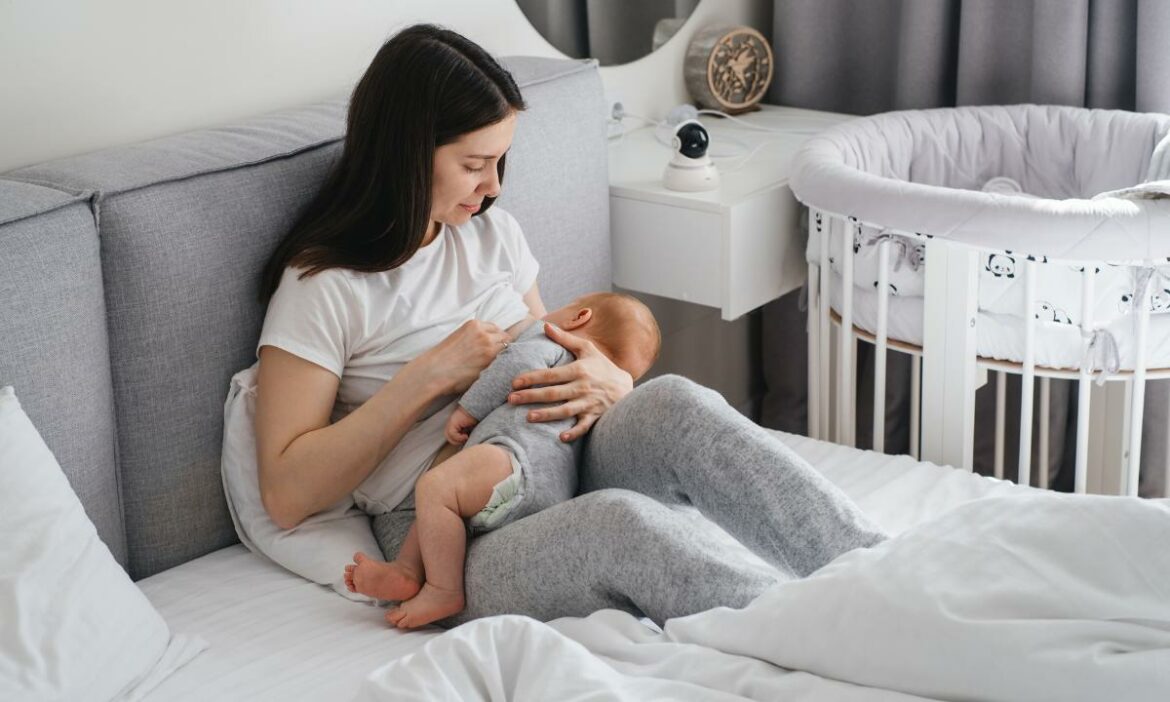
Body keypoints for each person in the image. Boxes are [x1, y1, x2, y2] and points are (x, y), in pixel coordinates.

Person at [254, 23, 885, 630]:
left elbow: (543, 349)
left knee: (676, 402)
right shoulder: (324, 287)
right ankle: (818, 629)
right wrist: (427, 376)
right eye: (475, 164)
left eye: (500, 161)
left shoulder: (490, 234)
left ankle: (882, 574)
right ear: (406, 152)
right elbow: (286, 493)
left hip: (550, 457)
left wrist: (606, 379)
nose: (492, 187)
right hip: (443, 524)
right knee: (618, 525)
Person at [343, 292, 661, 628]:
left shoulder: (553, 340)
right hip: (552, 490)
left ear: (579, 316)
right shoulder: (593, 395)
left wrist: (468, 409)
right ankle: (406, 570)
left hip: (515, 459)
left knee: (435, 487)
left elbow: (515, 368)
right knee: (444, 500)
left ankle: (442, 589)